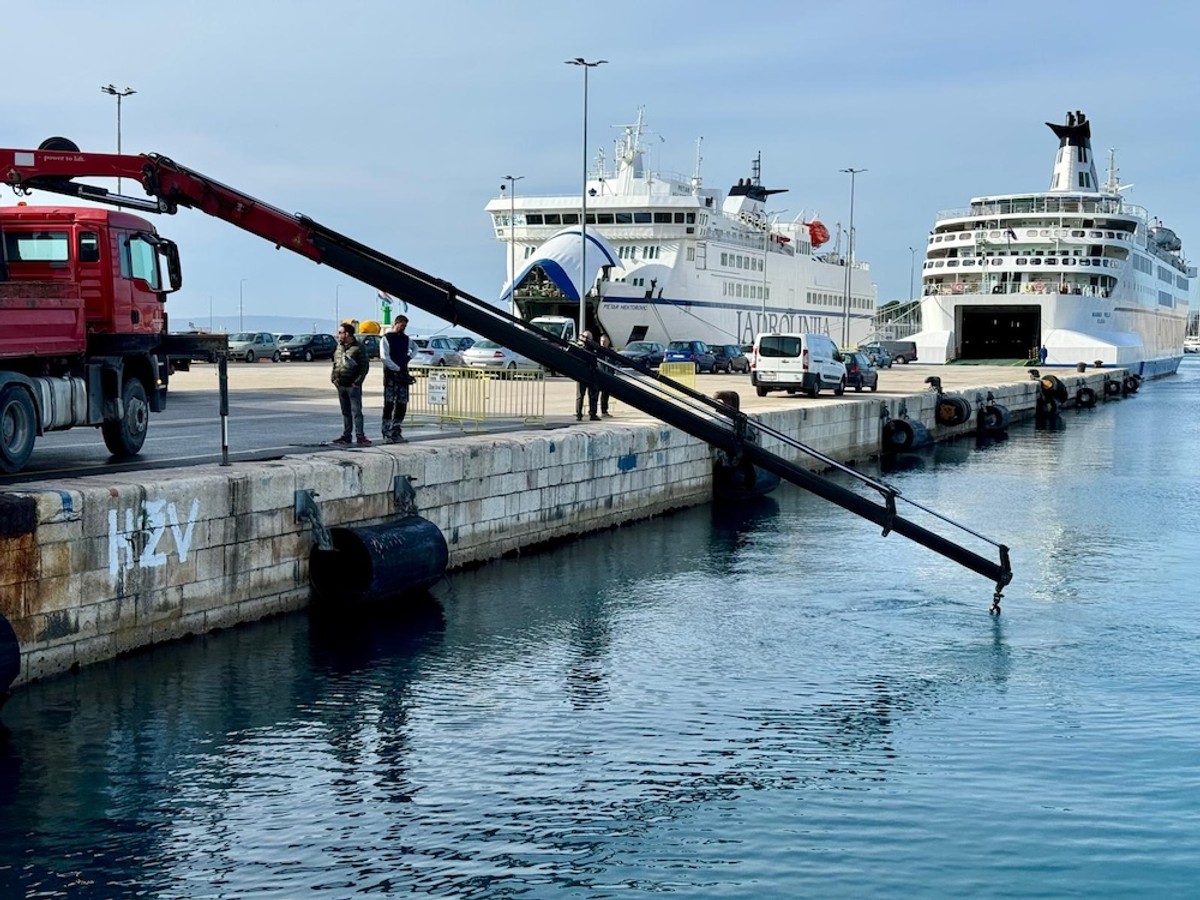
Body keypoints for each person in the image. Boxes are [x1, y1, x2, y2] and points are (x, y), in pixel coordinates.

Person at [331, 322, 371, 445]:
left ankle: (360, 436)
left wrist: (357, 382)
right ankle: (346, 435)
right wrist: (333, 378)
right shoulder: (339, 347)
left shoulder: (358, 347)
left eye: (340, 333)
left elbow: (364, 367)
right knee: (345, 412)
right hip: (340, 384)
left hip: (352, 386)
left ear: (347, 334)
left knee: (356, 411)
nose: (338, 335)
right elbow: (335, 363)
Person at [379, 315, 412, 443]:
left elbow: (414, 349)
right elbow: (384, 357)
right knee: (389, 405)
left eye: (405, 326)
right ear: (396, 323)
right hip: (391, 378)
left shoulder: (406, 339)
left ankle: (396, 431)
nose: (403, 328)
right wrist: (396, 367)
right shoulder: (387, 338)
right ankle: (386, 432)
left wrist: (407, 358)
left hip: (403, 378)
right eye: (401, 325)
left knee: (402, 404)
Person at [575, 330, 600, 421]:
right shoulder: (579, 347)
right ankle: (579, 414)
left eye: (587, 338)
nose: (585, 339)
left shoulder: (593, 349)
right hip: (581, 374)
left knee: (593, 395)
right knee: (580, 395)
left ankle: (593, 413)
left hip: (591, 374)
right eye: (584, 337)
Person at [598, 334, 613, 417]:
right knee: (595, 394)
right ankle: (593, 411)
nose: (603, 343)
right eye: (601, 341)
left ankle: (604, 411)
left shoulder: (611, 353)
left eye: (605, 341)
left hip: (608, 376)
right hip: (600, 375)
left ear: (608, 342)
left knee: (606, 394)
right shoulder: (598, 352)